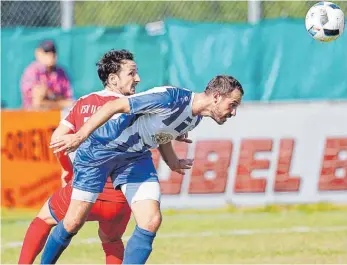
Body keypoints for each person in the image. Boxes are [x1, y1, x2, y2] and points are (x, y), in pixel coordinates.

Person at [44, 75, 244, 264]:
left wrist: (172, 161)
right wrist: (79, 136)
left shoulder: (196, 117)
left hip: (134, 158)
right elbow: (115, 105)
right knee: (73, 222)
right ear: (216, 97)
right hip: (101, 149)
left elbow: (161, 134)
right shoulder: (170, 97)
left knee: (151, 220)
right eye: (232, 105)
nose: (234, 112)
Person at [18, 49, 192, 264]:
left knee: (44, 218)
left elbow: (57, 141)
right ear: (112, 78)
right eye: (131, 73)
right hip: (118, 197)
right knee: (112, 240)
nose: (138, 78)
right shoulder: (139, 104)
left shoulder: (83, 102)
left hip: (82, 189)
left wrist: (67, 169)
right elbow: (161, 134)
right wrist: (173, 157)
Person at [20, 40, 73, 110]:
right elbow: (37, 102)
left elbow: (69, 100)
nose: (51, 55)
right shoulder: (32, 71)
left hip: (58, 115)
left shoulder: (61, 72)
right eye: (46, 52)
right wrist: (58, 99)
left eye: (53, 52)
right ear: (38, 53)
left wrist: (49, 95)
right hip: (33, 116)